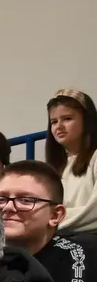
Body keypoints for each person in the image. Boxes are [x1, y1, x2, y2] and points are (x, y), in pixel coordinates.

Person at [0, 160, 97, 282]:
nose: (8, 207)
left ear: (55, 215)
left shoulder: (83, 258)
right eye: (0, 199)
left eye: (26, 200)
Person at [48, 88, 97, 235]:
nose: (59, 126)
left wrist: (51, 220)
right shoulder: (52, 169)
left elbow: (93, 211)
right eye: (54, 122)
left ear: (86, 121)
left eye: (67, 119)